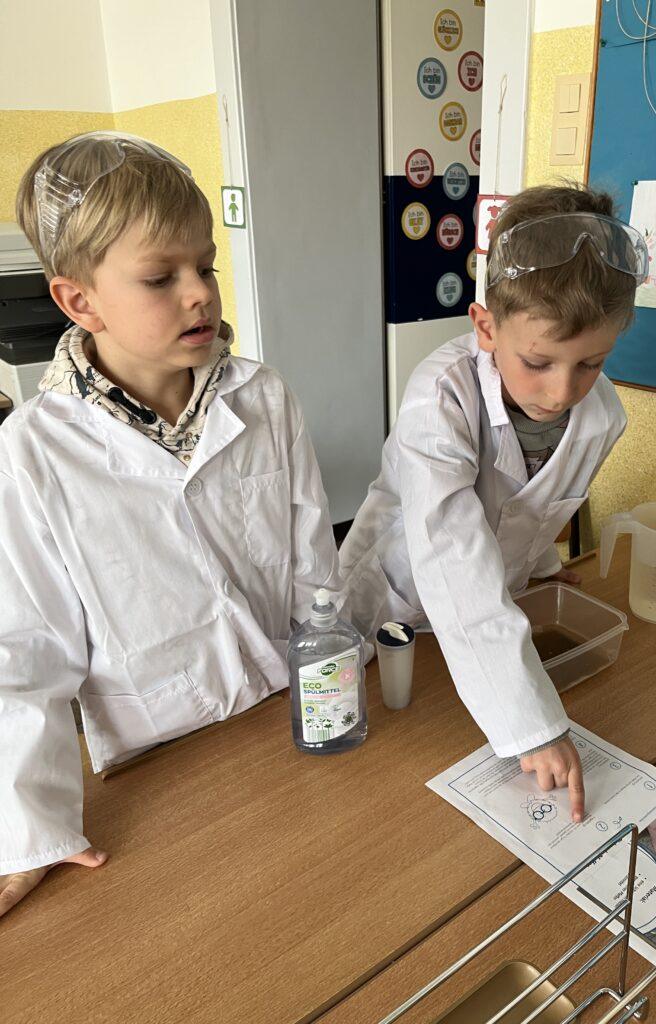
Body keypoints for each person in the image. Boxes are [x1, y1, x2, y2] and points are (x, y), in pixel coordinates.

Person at [0, 133, 338, 915]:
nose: (200, 295)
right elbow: (27, 651)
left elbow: (313, 562)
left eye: (206, 267)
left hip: (281, 709)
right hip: (160, 756)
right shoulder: (32, 453)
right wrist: (29, 832)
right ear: (79, 301)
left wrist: (332, 686)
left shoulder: (263, 397)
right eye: (161, 278)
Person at [340, 184, 648, 822]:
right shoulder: (441, 397)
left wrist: (542, 565)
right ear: (485, 328)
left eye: (591, 363)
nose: (562, 391)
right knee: (382, 781)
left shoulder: (602, 415)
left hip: (493, 620)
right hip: (394, 607)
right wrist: (533, 726)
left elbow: (536, 505)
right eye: (538, 362)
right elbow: (450, 553)